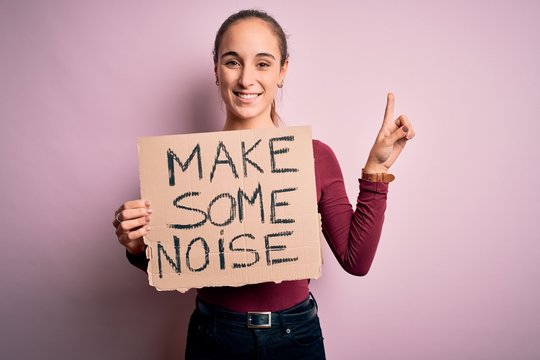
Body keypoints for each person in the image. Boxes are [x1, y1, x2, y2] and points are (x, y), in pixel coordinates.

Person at [112, 9, 415, 360]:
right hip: (214, 336)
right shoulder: (184, 166)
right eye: (232, 62)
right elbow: (178, 258)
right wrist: (137, 244)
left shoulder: (313, 156)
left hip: (295, 336)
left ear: (282, 71)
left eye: (262, 63)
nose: (246, 79)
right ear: (216, 69)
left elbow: (356, 259)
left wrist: (375, 171)